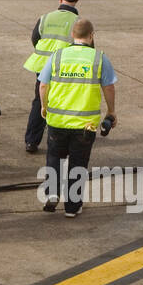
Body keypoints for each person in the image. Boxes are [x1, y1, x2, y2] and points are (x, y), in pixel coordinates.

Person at [39, 18, 118, 217]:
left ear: (72, 35)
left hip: (57, 120)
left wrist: (44, 106)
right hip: (85, 124)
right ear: (91, 36)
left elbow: (43, 84)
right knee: (78, 162)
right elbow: (108, 87)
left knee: (54, 156)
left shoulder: (57, 56)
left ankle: (52, 193)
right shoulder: (99, 58)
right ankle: (72, 208)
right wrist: (111, 111)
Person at [24, 0, 81, 152]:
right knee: (66, 101)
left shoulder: (45, 18)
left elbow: (35, 38)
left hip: (42, 66)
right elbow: (86, 47)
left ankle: (31, 141)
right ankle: (64, 136)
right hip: (66, 68)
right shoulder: (78, 22)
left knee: (40, 101)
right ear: (77, 0)